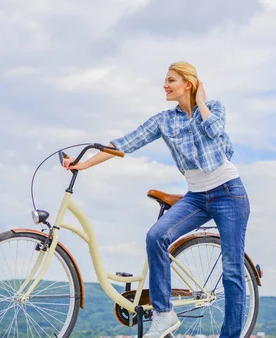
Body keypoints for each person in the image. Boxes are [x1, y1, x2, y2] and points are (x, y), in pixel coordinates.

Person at [62, 61, 250, 338]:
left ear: (188, 83)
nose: (165, 85)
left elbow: (215, 132)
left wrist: (200, 101)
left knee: (232, 270)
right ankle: (163, 314)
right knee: (156, 237)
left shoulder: (215, 109)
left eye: (171, 80)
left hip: (229, 193)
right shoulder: (164, 120)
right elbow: (124, 143)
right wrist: (83, 164)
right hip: (196, 197)